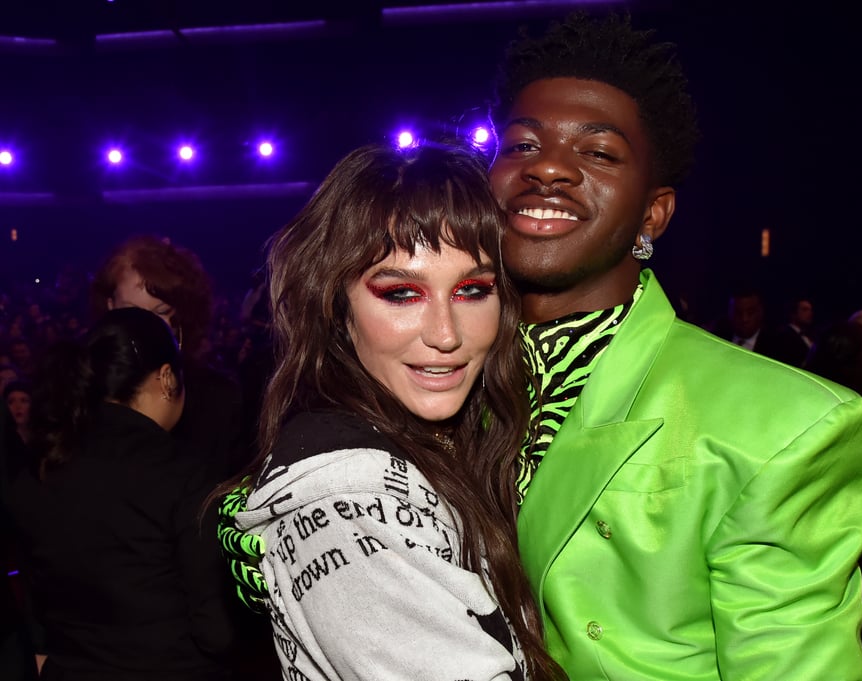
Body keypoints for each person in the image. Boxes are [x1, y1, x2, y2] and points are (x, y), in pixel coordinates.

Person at [223, 12, 862, 680]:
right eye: (523, 145)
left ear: (653, 213)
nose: (551, 171)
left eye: (598, 153)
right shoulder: (443, 374)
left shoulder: (783, 424)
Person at [221, 142, 562, 680]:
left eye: (473, 290)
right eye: (402, 293)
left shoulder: (456, 440)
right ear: (338, 305)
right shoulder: (351, 497)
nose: (446, 335)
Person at [8, 307, 237, 681]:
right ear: (166, 378)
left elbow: (37, 605)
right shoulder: (182, 471)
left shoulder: (43, 466)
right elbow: (215, 632)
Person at [90, 236, 247, 478]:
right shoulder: (86, 387)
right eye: (131, 311)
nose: (145, 325)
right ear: (109, 306)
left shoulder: (219, 398)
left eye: (160, 312)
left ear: (181, 314)